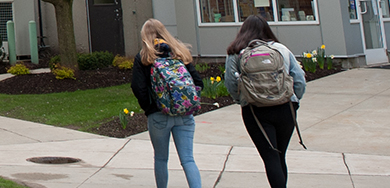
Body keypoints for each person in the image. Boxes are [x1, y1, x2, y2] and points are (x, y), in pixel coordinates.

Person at [223, 14, 307, 188]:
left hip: (255, 110)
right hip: (285, 108)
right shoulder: (281, 49)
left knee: (270, 156)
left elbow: (231, 83)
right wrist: (294, 100)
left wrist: (242, 100)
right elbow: (299, 79)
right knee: (280, 155)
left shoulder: (236, 51)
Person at [130, 18, 203, 188]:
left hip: (158, 115)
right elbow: (198, 82)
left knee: (161, 158)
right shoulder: (180, 53)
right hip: (185, 115)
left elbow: (137, 87)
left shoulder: (144, 57)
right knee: (188, 159)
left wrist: (149, 108)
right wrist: (188, 103)